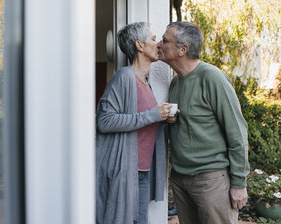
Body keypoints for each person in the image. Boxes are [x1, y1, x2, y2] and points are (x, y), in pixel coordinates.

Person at [157, 21, 249, 224]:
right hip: (180, 178)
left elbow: (237, 132)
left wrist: (239, 183)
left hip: (211, 180)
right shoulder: (176, 81)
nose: (159, 45)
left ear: (183, 49)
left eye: (165, 40)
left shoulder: (212, 78)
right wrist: (172, 120)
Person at [96, 22, 173, 224]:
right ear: (139, 45)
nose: (159, 44)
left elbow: (144, 121)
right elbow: (104, 121)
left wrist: (164, 119)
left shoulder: (146, 83)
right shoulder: (124, 77)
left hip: (142, 171)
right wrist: (152, 115)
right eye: (153, 39)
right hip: (125, 170)